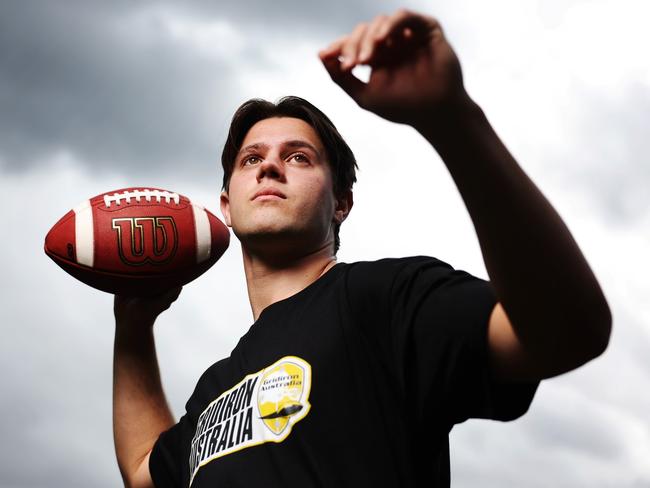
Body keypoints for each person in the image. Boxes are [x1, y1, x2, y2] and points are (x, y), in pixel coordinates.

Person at [112, 9, 612, 488]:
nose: (268, 167)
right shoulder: (214, 390)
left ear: (341, 203)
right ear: (226, 204)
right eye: (250, 159)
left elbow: (568, 333)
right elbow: (142, 470)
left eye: (299, 157)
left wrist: (452, 119)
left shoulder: (381, 298)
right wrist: (133, 328)